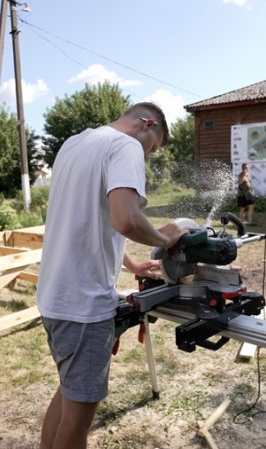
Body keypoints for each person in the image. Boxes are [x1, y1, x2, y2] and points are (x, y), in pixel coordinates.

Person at [36, 102, 187, 449]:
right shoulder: (126, 146)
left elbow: (89, 220)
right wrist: (165, 238)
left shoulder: (75, 143)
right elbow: (126, 219)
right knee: (78, 418)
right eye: (151, 148)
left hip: (55, 299)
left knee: (68, 394)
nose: (145, 157)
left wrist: (131, 264)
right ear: (146, 124)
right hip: (84, 309)